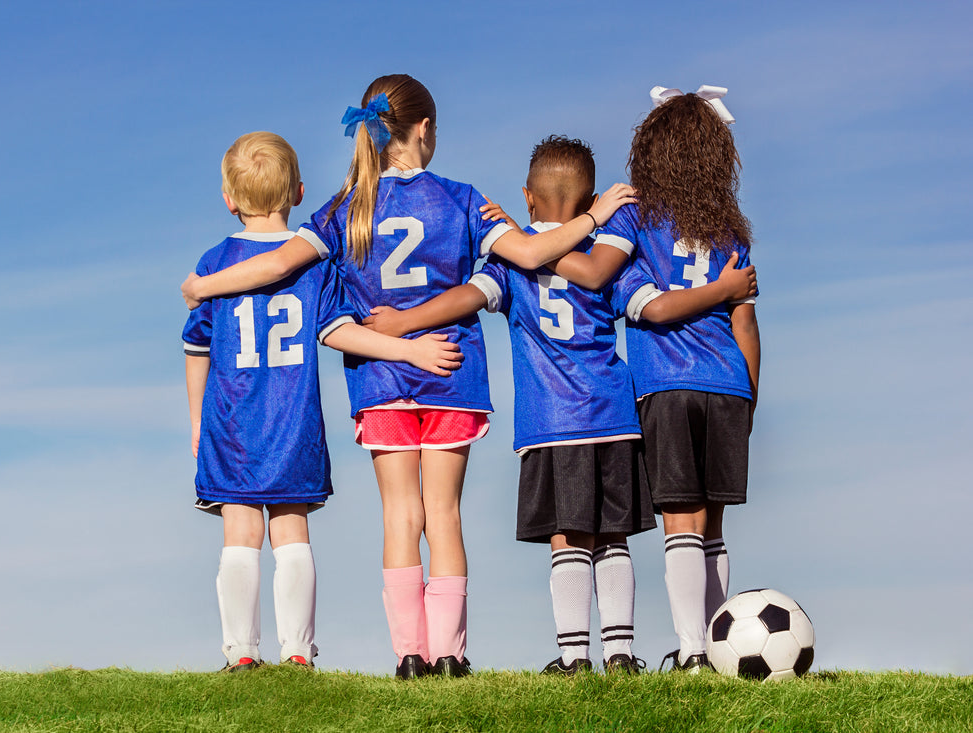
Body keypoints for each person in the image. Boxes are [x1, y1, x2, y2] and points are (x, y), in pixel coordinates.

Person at [180, 74, 634, 678]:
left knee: (401, 516)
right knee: (444, 515)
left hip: (379, 379)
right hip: (452, 373)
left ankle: (408, 657)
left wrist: (205, 285)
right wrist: (594, 216)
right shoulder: (463, 198)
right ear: (424, 129)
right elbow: (529, 256)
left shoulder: (343, 209)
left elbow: (280, 260)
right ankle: (450, 653)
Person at [364, 135, 754, 675]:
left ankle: (573, 657)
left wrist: (404, 322)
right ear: (591, 198)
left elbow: (465, 299)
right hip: (615, 416)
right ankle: (620, 654)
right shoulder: (606, 262)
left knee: (567, 538)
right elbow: (642, 304)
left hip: (552, 423)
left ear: (527, 197)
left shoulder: (511, 263)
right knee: (613, 535)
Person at [184, 131, 463, 673]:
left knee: (240, 531)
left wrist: (197, 422)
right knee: (292, 529)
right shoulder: (313, 265)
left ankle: (241, 654)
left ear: (228, 199)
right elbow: (341, 333)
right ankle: (297, 653)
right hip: (294, 423)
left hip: (232, 425)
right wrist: (407, 349)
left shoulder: (215, 264)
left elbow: (196, 350)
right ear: (298, 192)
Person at [556, 86, 760, 672]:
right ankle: (721, 653)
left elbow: (651, 308)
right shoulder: (729, 231)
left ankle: (696, 649)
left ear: (650, 153)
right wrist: (751, 395)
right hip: (728, 387)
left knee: (682, 522)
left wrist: (530, 245)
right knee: (714, 523)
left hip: (667, 387)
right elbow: (746, 327)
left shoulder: (635, 221)